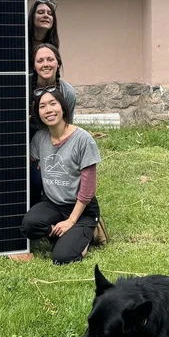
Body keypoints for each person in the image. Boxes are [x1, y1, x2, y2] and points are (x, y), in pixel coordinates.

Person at [21, 87, 104, 265]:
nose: (48, 110)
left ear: (63, 107)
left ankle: (88, 234)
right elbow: (29, 160)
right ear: (38, 113)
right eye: (42, 106)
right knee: (28, 225)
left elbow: (88, 190)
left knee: (62, 257)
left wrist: (71, 221)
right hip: (52, 204)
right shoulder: (40, 139)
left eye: (53, 104)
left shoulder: (83, 140)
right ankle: (62, 232)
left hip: (81, 209)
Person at [30, 43, 76, 134]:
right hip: (23, 139)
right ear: (34, 67)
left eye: (50, 60)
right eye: (40, 61)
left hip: (53, 138)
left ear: (58, 63)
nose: (46, 64)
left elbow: (67, 126)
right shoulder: (22, 86)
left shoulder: (67, 91)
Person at [27, 0, 60, 66]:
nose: (46, 16)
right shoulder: (22, 43)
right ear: (32, 17)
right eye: (40, 12)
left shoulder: (53, 44)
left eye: (50, 14)